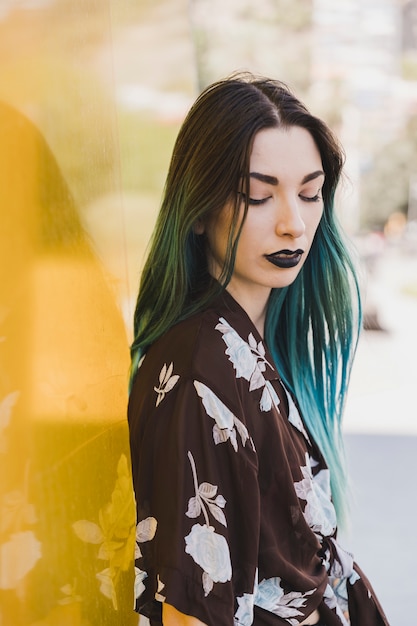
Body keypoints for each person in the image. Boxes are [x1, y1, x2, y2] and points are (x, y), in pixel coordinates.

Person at [127, 74, 390, 626]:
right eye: (259, 195)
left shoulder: (250, 347)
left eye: (310, 192)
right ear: (199, 210)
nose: (294, 223)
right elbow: (188, 614)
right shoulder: (202, 371)